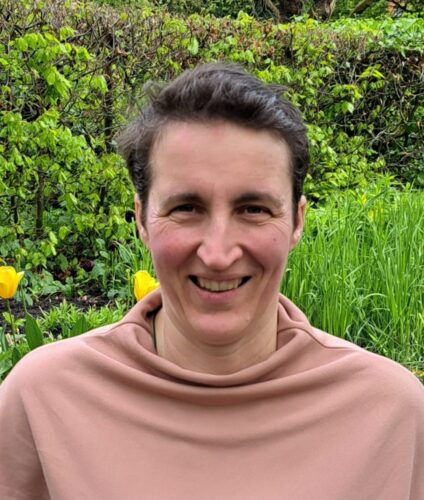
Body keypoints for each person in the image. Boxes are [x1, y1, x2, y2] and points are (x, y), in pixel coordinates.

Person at [0, 63, 423, 500]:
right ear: (141, 219)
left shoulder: (391, 416)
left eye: (253, 209)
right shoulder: (41, 400)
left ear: (297, 222)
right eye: (186, 207)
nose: (218, 254)